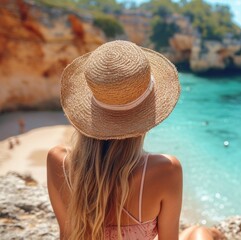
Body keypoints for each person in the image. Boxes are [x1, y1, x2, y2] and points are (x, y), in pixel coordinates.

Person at [47, 41, 223, 240]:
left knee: (198, 232)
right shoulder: (167, 169)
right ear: (148, 113)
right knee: (202, 233)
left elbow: (67, 235)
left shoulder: (57, 161)